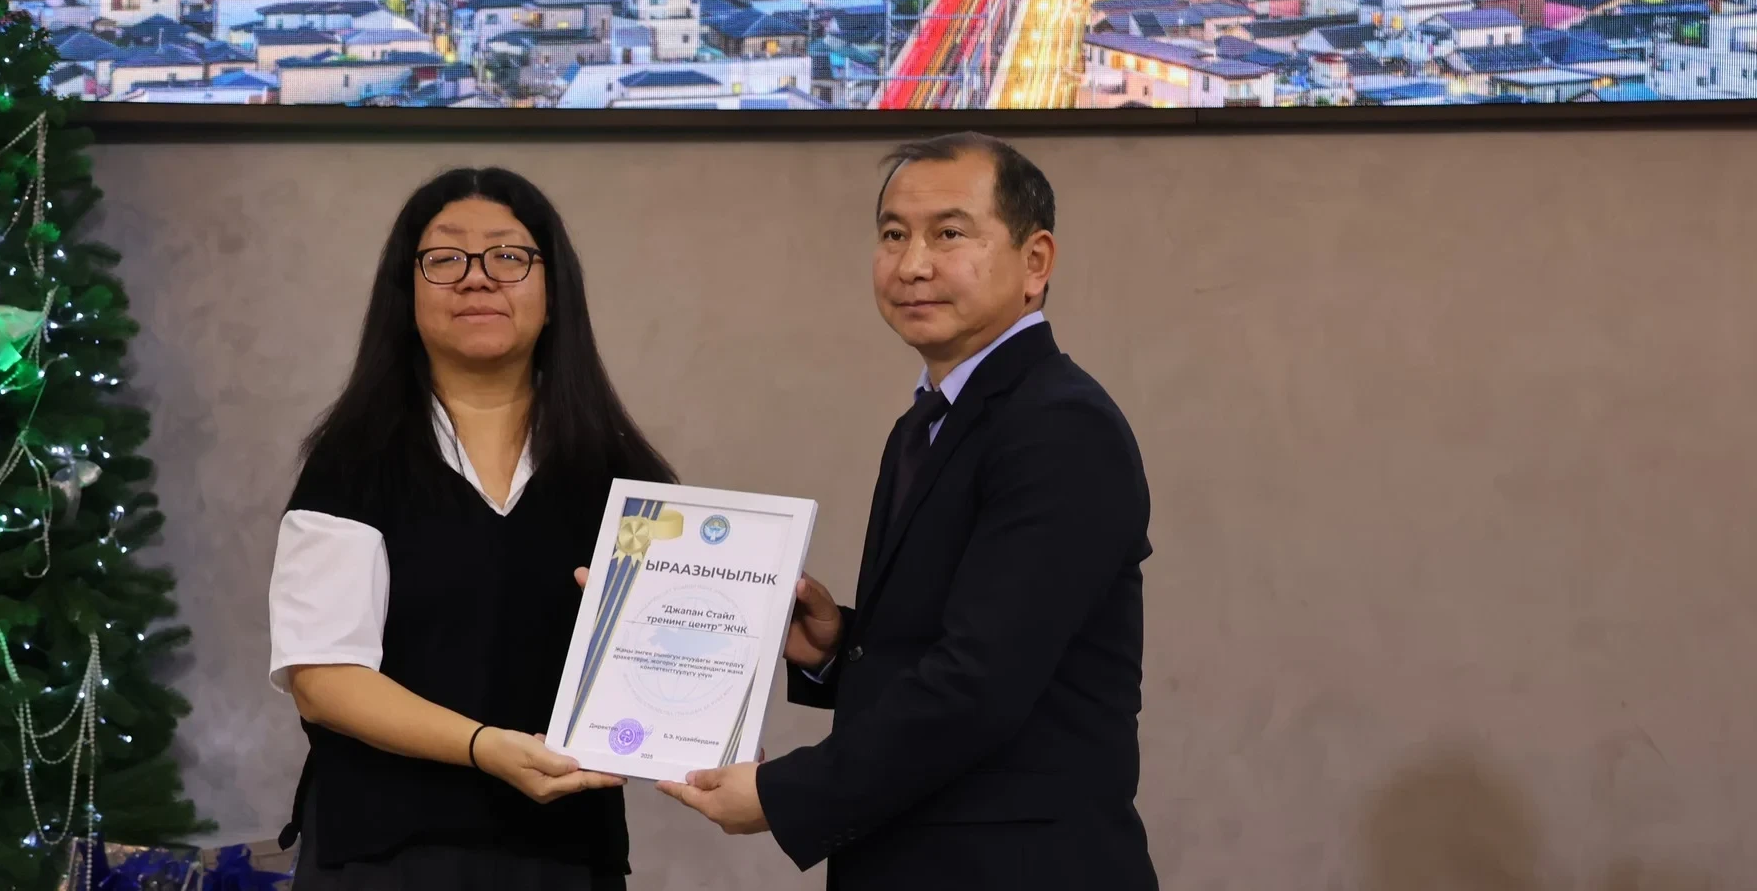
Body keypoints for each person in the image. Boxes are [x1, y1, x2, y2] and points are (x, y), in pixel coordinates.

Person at [657, 133, 1158, 890]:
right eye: (893, 235)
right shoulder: (930, 421)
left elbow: (979, 684)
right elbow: (962, 639)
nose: (912, 264)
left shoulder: (1060, 425)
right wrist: (837, 646)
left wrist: (783, 794)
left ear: (1035, 261)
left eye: (949, 234)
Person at [267, 166, 674, 891]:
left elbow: (670, 657)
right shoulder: (352, 463)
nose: (477, 277)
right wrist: (485, 746)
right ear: (407, 292)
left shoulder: (623, 475)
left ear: (553, 292)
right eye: (445, 257)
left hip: (566, 857)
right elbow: (322, 679)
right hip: (384, 857)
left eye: (509, 256)